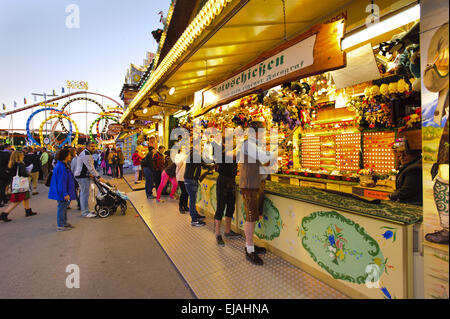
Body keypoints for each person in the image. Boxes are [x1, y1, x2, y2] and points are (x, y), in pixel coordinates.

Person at [238, 121, 281, 265]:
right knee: (250, 219)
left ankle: (250, 244)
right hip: (249, 187)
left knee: (254, 218)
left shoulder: (255, 146)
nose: (264, 135)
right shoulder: (247, 144)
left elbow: (264, 162)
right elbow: (264, 158)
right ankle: (249, 250)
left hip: (256, 185)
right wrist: (276, 152)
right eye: (262, 132)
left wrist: (271, 154)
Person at [213, 137, 240, 246]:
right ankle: (217, 233)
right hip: (223, 182)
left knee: (230, 207)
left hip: (231, 182)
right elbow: (233, 154)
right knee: (220, 208)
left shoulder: (233, 153)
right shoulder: (223, 153)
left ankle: (228, 231)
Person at [1, 150, 37, 222]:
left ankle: (28, 210)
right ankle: (4, 214)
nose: (23, 156)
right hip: (21, 185)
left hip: (15, 183)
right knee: (17, 200)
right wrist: (28, 173)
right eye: (22, 155)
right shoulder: (20, 164)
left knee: (25, 197)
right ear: (19, 156)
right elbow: (24, 174)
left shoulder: (11, 164)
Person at [74, 141, 105, 218]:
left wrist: (92, 175)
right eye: (91, 146)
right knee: (85, 194)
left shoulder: (86, 153)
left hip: (82, 175)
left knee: (84, 194)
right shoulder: (86, 154)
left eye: (94, 146)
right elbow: (91, 168)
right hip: (82, 176)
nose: (93, 147)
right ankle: (85, 212)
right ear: (87, 146)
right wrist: (98, 176)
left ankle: (86, 210)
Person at [48, 148, 77, 231]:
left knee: (63, 207)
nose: (70, 156)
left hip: (62, 190)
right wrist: (65, 193)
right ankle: (61, 225)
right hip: (62, 191)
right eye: (69, 155)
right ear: (65, 156)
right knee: (62, 208)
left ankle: (64, 223)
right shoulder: (61, 167)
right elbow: (61, 182)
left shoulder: (62, 165)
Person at [184, 142, 212, 227]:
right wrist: (213, 164)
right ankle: (194, 220)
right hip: (190, 180)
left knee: (193, 199)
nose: (202, 147)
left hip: (190, 179)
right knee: (192, 200)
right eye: (200, 146)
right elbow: (203, 164)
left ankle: (195, 215)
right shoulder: (195, 155)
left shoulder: (192, 154)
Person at [389, 140, 423, 205]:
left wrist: (391, 195)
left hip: (412, 205)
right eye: (399, 156)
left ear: (414, 155)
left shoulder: (414, 169)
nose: (401, 158)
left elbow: (406, 191)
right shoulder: (410, 166)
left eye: (404, 155)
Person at [175, 146, 189, 214]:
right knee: (183, 192)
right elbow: (178, 165)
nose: (185, 149)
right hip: (180, 177)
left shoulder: (187, 156)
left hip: (186, 177)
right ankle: (180, 206)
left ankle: (185, 206)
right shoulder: (179, 156)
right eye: (183, 148)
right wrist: (177, 175)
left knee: (186, 192)